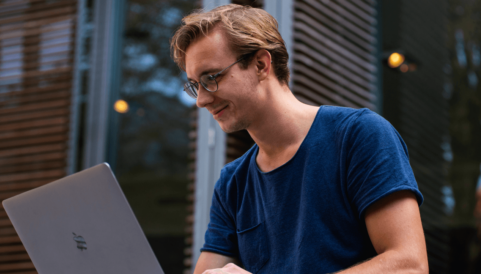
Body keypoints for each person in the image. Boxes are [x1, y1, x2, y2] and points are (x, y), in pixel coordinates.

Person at [170, 4, 428, 274]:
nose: (201, 100)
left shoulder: (358, 135)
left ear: (260, 64)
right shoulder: (232, 183)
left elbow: (409, 265)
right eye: (194, 85)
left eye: (211, 77)